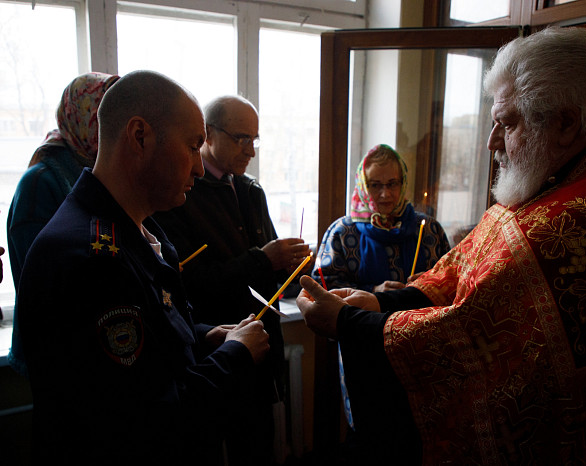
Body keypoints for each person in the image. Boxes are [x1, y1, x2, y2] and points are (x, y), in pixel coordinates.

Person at [297, 27, 586, 465]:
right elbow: (461, 272)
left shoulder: (576, 220)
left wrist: (350, 324)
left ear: (565, 122)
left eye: (507, 123)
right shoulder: (563, 182)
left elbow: (466, 336)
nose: (491, 142)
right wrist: (378, 306)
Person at [15, 70, 270, 466]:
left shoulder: (139, 229)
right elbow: (150, 421)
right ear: (139, 137)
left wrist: (203, 339)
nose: (200, 169)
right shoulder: (88, 258)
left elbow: (153, 337)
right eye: (192, 146)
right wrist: (235, 355)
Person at [153, 95, 309, 465]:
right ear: (208, 134)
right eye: (242, 139)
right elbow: (188, 282)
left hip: (259, 339)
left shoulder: (251, 189)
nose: (251, 151)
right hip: (212, 346)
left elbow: (267, 265)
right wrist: (263, 258)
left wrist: (290, 264)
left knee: (258, 447)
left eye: (254, 140)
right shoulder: (181, 194)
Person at [6, 72, 119, 376]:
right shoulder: (41, 183)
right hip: (58, 352)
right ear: (84, 118)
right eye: (107, 116)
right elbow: (42, 287)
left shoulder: (101, 176)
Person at [312, 144, 450, 292]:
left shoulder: (429, 229)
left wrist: (433, 283)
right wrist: (373, 291)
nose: (385, 194)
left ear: (403, 183)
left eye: (392, 184)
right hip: (364, 315)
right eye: (375, 185)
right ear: (363, 186)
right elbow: (323, 287)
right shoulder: (342, 233)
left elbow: (453, 279)